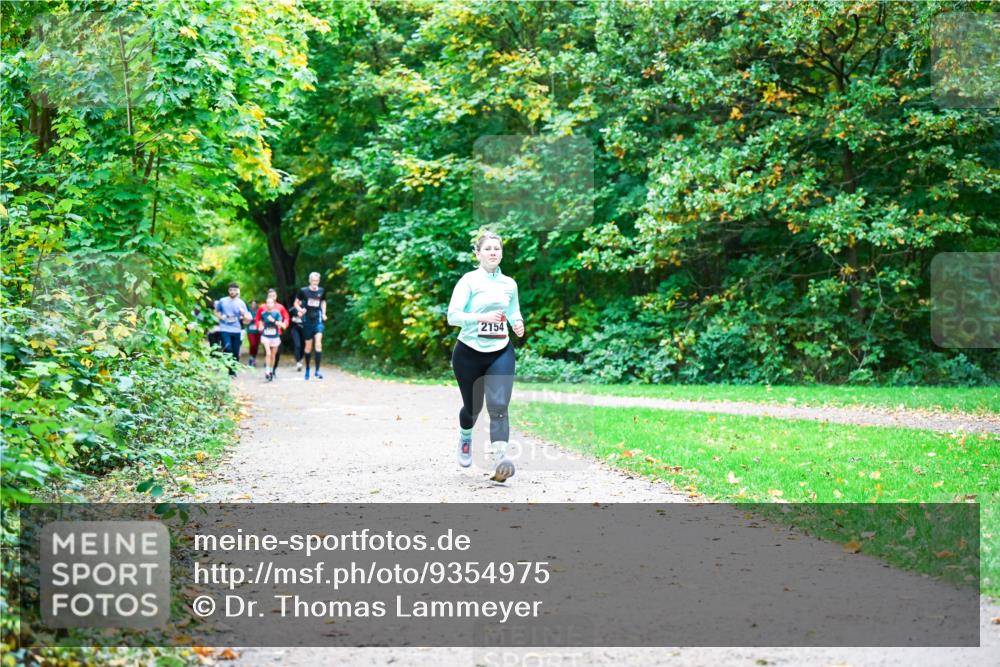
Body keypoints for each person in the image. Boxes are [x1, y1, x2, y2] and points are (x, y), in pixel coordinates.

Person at [447, 231, 524, 482]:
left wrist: (518, 323)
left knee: (499, 406)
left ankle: (500, 458)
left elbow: (513, 311)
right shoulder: (469, 281)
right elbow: (453, 316)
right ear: (478, 254)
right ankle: (466, 437)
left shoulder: (509, 283)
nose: (493, 252)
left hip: (500, 351)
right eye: (488, 249)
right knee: (473, 408)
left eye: (497, 249)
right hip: (468, 353)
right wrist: (481, 318)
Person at [294, 272, 327, 380]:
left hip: (318, 320)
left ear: (319, 281)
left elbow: (323, 302)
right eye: (313, 280)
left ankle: (317, 371)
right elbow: (296, 303)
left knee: (318, 344)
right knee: (308, 347)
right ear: (309, 281)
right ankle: (308, 368)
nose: (314, 283)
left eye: (316, 281)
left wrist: (324, 312)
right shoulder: (303, 291)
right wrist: (300, 310)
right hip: (307, 321)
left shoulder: (321, 291)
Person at [214, 283, 251, 373]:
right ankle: (228, 367)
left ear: (237, 291)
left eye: (234, 290)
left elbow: (247, 319)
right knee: (227, 348)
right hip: (225, 328)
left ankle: (233, 370)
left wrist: (243, 314)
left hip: (236, 329)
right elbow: (215, 311)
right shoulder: (222, 301)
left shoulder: (241, 303)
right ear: (228, 291)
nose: (232, 292)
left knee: (235, 351)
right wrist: (221, 317)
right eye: (230, 290)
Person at [254, 288, 290, 377]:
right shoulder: (262, 307)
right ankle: (268, 369)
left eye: (273, 296)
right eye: (270, 296)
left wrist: (284, 325)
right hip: (266, 333)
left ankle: (273, 370)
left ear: (276, 296)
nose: (272, 297)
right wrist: (259, 326)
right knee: (268, 352)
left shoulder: (280, 307)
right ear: (267, 297)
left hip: (277, 333)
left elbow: (286, 318)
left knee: (276, 354)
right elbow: (258, 319)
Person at [289, 299, 306, 372]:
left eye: (300, 300)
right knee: (297, 345)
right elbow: (286, 317)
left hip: (304, 329)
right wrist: (293, 318)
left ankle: (301, 358)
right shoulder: (292, 309)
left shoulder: (306, 308)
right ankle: (298, 362)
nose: (299, 302)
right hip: (295, 329)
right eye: (297, 300)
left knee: (303, 345)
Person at [246, 299, 260, 367]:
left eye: (254, 304)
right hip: (250, 330)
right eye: (252, 304)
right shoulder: (248, 311)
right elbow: (245, 320)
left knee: (256, 345)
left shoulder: (258, 311)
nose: (253, 305)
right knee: (252, 344)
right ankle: (251, 356)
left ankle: (254, 358)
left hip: (258, 331)